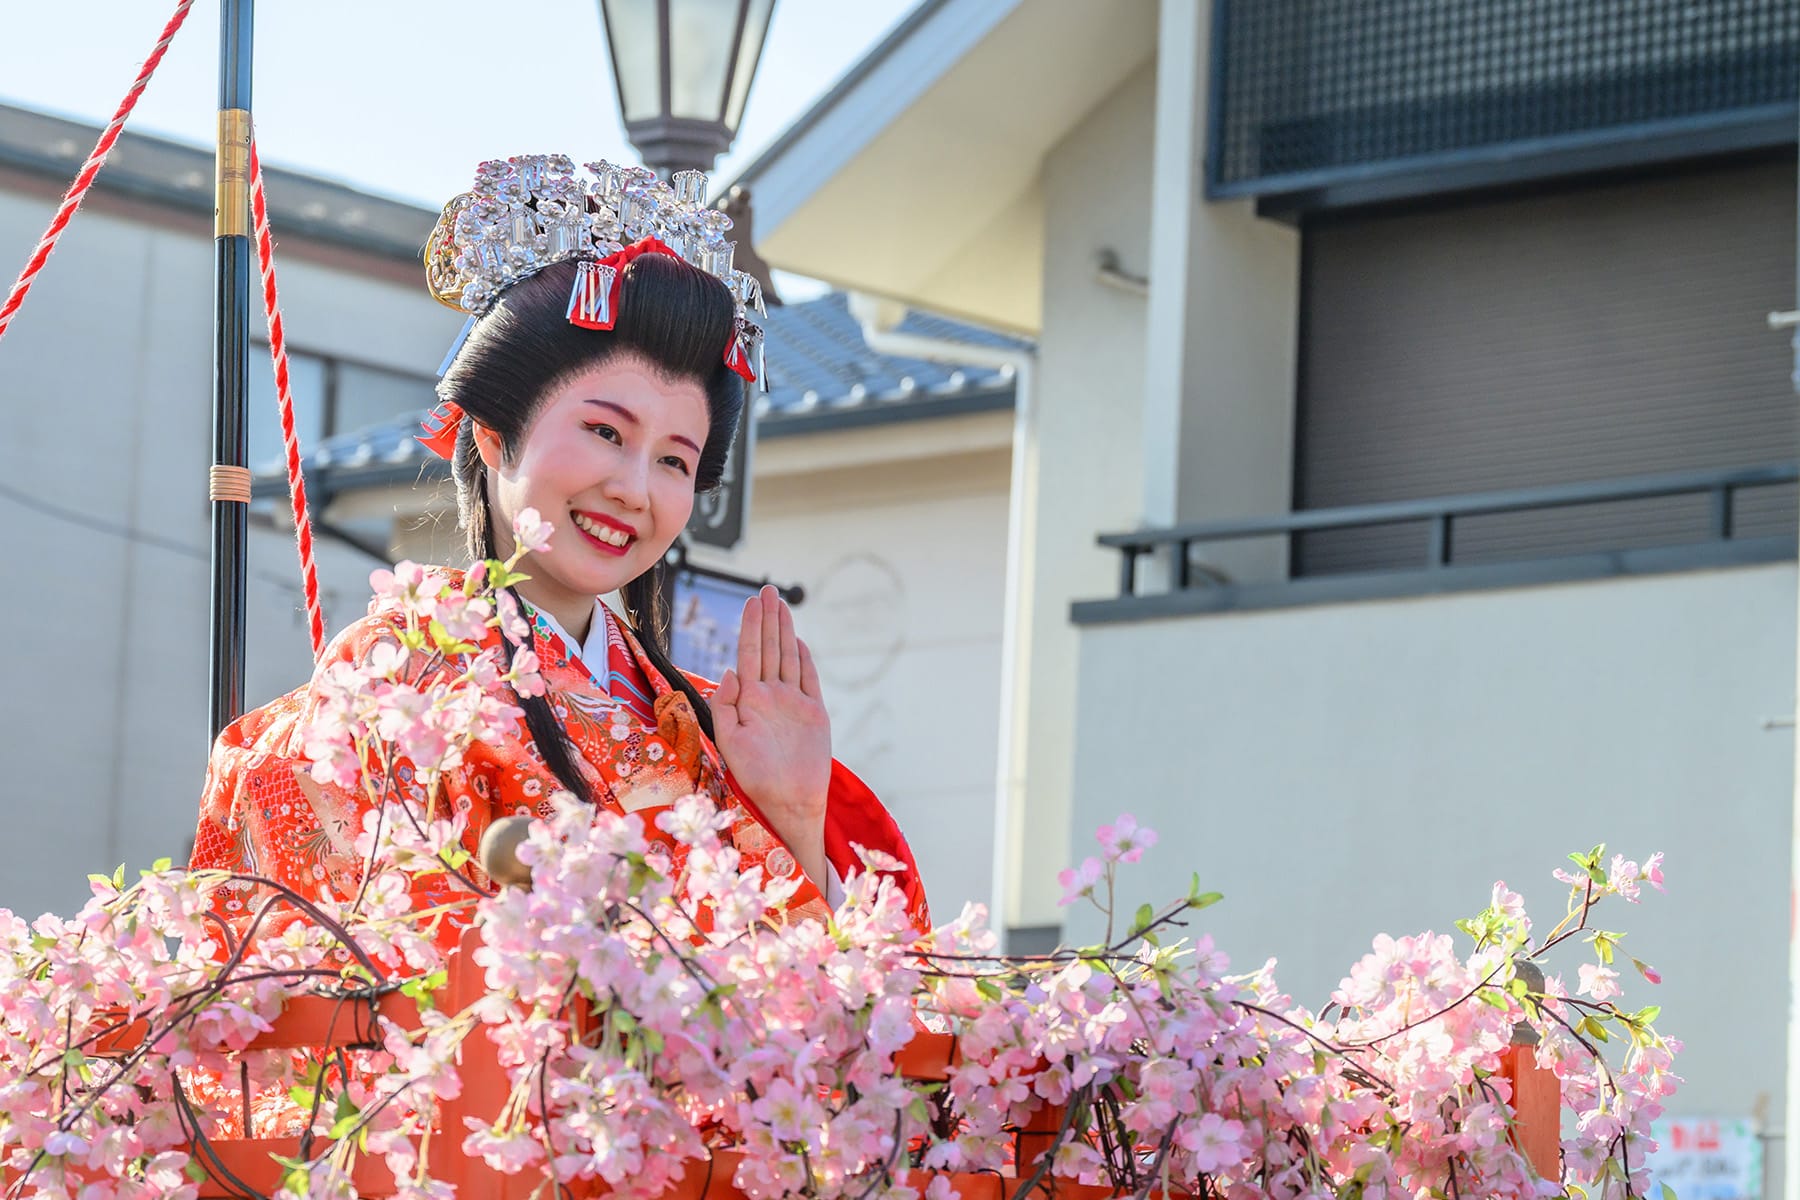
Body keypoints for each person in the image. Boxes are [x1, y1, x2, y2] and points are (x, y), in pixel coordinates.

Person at [189, 157, 929, 945]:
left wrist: (789, 811)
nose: (635, 489)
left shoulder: (705, 724)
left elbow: (811, 1024)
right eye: (606, 432)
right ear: (495, 433)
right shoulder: (393, 678)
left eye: (675, 460)